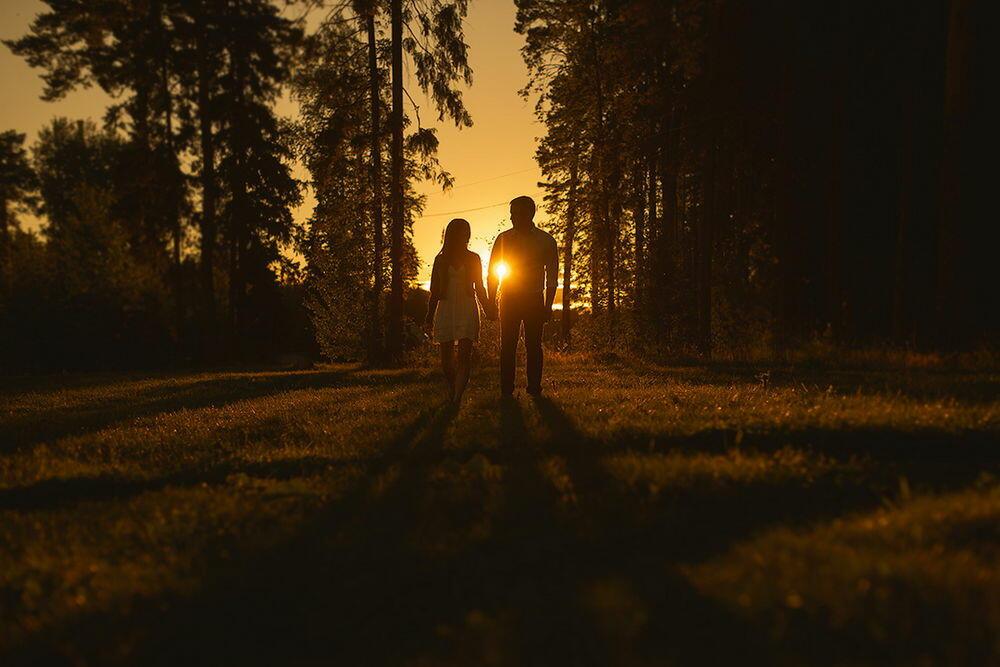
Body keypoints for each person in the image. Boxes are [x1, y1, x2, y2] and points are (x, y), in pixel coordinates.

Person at [487, 196, 559, 397]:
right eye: (511, 214)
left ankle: (534, 388)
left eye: (516, 214)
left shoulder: (546, 241)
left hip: (534, 298)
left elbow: (552, 277)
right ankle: (506, 390)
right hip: (509, 297)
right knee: (507, 345)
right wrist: (491, 300)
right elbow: (492, 272)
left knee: (534, 345)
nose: (512, 218)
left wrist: (548, 305)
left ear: (529, 214)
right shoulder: (503, 239)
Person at [424, 218, 489, 405]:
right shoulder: (440, 259)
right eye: (459, 232)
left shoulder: (474, 258)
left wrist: (488, 309)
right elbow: (434, 290)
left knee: (464, 355)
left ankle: (457, 397)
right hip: (446, 307)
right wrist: (429, 315)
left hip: (467, 306)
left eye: (465, 232)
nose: (464, 236)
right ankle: (453, 387)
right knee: (446, 360)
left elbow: (480, 287)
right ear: (451, 235)